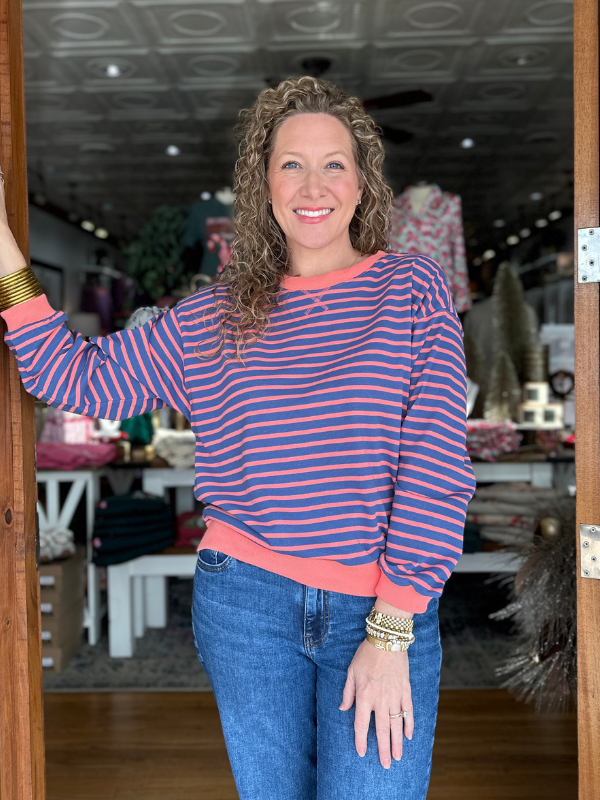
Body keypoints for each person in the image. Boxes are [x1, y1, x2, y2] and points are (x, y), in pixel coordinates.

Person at [0, 77, 475, 799]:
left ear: (362, 181)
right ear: (262, 183)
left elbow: (436, 465)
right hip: (247, 604)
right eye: (290, 163)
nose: (312, 184)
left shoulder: (412, 290)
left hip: (380, 609)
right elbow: (72, 378)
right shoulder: (212, 316)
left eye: (334, 163)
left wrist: (391, 629)